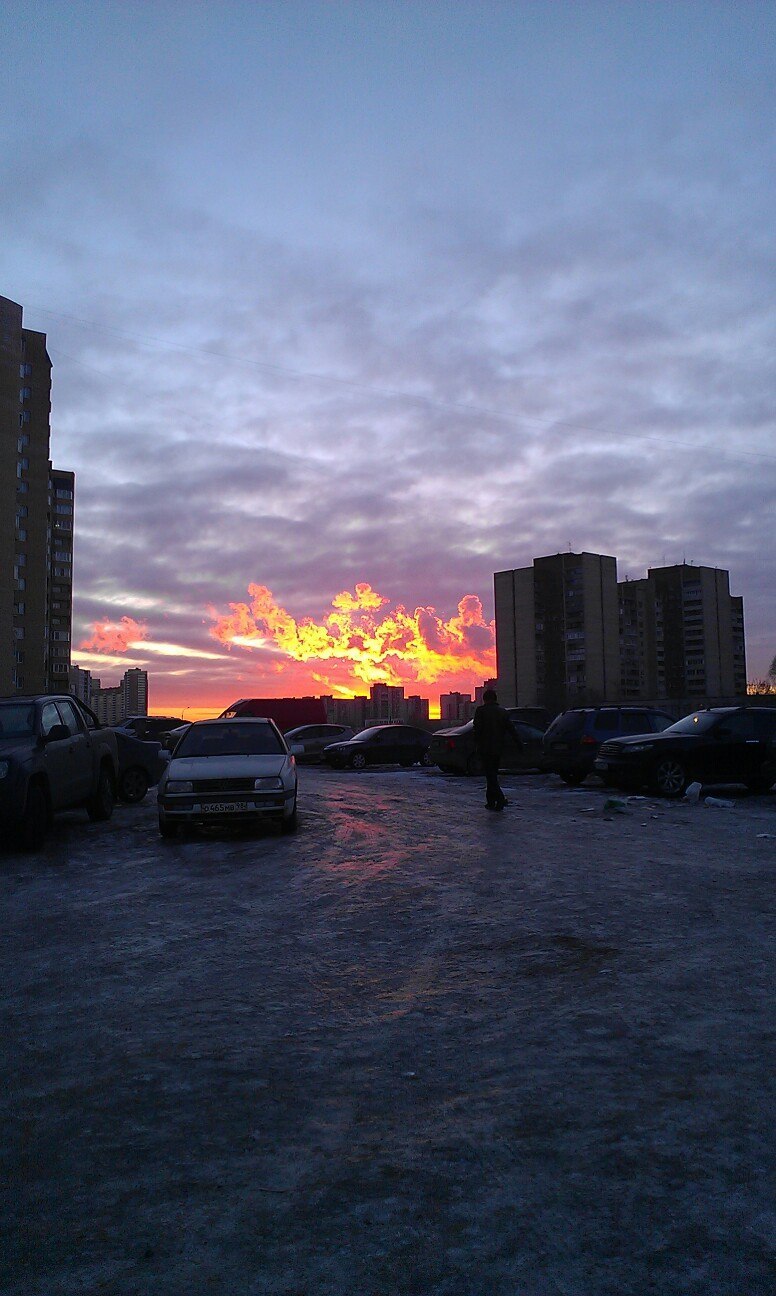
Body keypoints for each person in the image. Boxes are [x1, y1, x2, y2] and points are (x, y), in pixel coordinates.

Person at [472, 688, 520, 811]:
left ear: (485, 699)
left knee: (490, 776)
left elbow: (477, 730)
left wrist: (476, 745)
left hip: (485, 748)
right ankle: (491, 801)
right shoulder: (502, 712)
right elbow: (511, 729)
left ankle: (499, 800)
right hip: (498, 748)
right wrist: (518, 743)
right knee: (492, 775)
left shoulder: (481, 711)